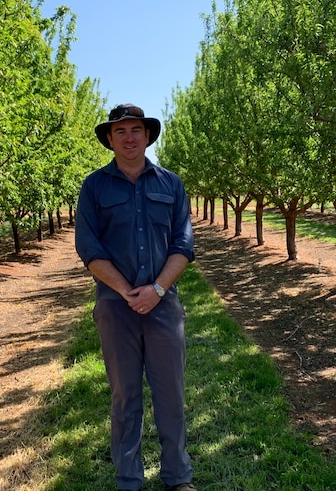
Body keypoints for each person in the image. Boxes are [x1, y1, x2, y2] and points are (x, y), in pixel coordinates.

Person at [75, 104, 197, 491]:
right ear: (110, 139)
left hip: (164, 305)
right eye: (121, 131)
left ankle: (177, 477)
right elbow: (88, 247)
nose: (129, 137)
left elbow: (184, 243)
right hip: (116, 307)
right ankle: (129, 479)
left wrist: (158, 289)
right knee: (125, 396)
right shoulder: (94, 187)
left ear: (147, 136)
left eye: (136, 130)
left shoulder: (171, 185)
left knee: (171, 395)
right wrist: (126, 292)